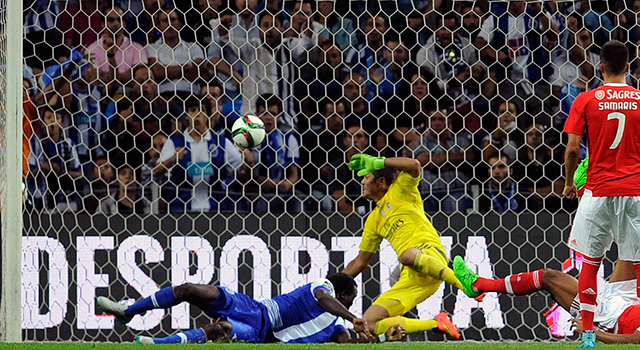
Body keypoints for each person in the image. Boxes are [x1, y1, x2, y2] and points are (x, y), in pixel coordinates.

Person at [562, 40, 640, 348]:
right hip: (634, 192)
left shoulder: (585, 99)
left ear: (601, 67)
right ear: (630, 68)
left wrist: (569, 182)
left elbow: (571, 149)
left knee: (591, 263)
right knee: (637, 264)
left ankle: (589, 334)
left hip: (597, 190)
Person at [342, 154, 465, 338]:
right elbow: (360, 261)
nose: (362, 182)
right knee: (368, 323)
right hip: (413, 275)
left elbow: (414, 165)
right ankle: (437, 323)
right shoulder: (373, 220)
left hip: (431, 256)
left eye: (366, 177)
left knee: (406, 255)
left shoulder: (401, 190)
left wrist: (380, 162)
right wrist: (330, 284)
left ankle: (463, 282)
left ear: (381, 182)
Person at [96, 273, 405, 344]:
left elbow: (348, 343)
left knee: (223, 329)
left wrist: (380, 340)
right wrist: (352, 316)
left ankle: (157, 345)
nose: (352, 304)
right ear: (345, 294)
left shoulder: (334, 327)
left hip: (262, 333)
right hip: (255, 308)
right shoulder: (320, 289)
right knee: (189, 289)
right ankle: (129, 310)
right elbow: (326, 298)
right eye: (351, 298)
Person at [453, 257, 640, 344]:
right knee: (630, 248)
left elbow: (634, 340)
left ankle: (478, 285)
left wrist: (591, 331)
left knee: (549, 277)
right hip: (628, 299)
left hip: (611, 317)